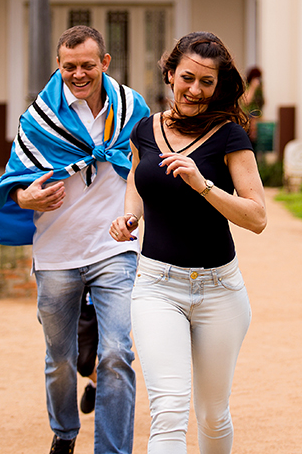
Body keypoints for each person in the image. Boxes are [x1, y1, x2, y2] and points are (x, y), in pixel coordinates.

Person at [0, 25, 150, 454]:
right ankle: (64, 432)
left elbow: (145, 167)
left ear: (105, 63)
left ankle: (113, 450)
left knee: (117, 352)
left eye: (86, 65)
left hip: (114, 248)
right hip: (57, 252)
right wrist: (28, 198)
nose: (78, 74)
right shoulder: (37, 119)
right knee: (59, 358)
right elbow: (16, 183)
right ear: (58, 66)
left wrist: (137, 218)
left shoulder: (133, 107)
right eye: (69, 67)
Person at [110, 31, 267, 454]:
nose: (194, 90)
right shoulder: (144, 129)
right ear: (170, 74)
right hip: (157, 287)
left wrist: (204, 186)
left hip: (220, 291)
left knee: (213, 415)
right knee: (169, 410)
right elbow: (137, 181)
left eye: (207, 82)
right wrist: (130, 216)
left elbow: (258, 218)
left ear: (219, 86)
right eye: (187, 78)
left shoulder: (230, 135)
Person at [241, 66, 264, 143]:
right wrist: (253, 87)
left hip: (257, 116)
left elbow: (262, 102)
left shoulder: (259, 88)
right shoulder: (246, 87)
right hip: (248, 115)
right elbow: (246, 101)